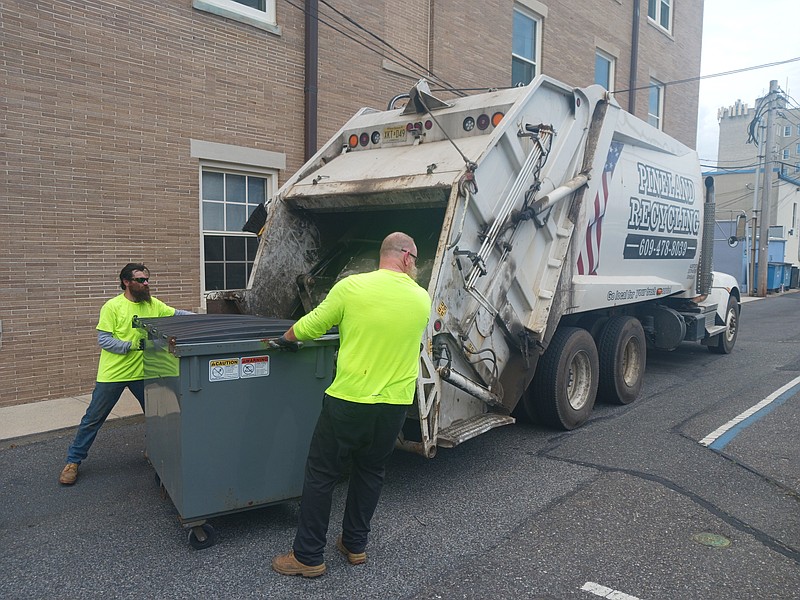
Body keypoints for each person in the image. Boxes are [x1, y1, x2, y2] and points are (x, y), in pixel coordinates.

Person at [271, 232, 431, 578]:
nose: (415, 265)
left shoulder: (351, 287)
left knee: (322, 474)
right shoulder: (422, 298)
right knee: (371, 472)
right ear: (405, 256)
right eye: (415, 259)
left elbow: (311, 326)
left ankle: (309, 556)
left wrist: (285, 340)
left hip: (349, 399)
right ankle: (355, 545)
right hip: (393, 405)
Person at [58, 263, 193, 485]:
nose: (146, 283)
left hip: (143, 373)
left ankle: (154, 450)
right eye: (140, 280)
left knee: (157, 416)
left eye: (147, 279)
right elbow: (104, 340)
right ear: (126, 282)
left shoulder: (152, 304)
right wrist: (131, 345)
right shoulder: (112, 307)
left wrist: (204, 318)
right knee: (93, 419)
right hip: (114, 374)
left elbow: (176, 314)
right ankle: (73, 462)